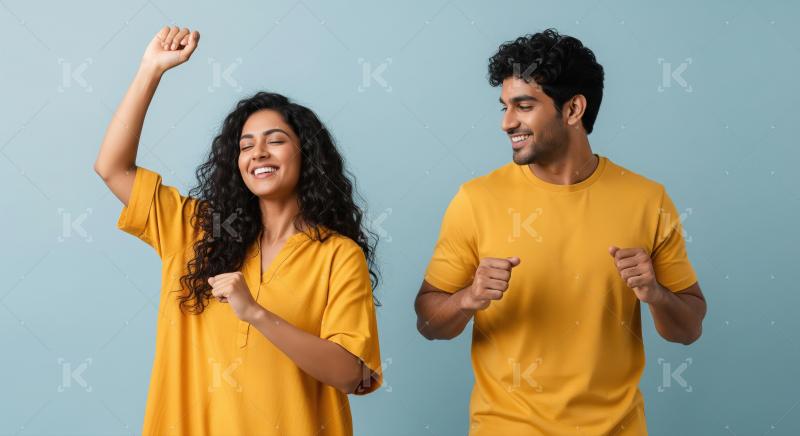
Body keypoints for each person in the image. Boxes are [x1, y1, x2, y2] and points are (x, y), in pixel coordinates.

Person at [414, 28, 707, 435]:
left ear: (573, 110)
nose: (506, 122)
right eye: (504, 106)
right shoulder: (476, 199)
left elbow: (689, 329)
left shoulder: (648, 200)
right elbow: (428, 324)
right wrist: (469, 298)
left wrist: (655, 294)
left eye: (524, 105)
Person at [94, 26, 382, 435]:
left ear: (307, 154)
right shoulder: (196, 230)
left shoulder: (337, 255)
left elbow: (353, 374)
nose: (258, 153)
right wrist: (150, 70)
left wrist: (257, 314)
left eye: (275, 140)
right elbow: (113, 169)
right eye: (246, 146)